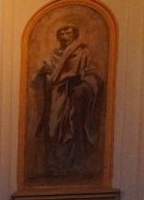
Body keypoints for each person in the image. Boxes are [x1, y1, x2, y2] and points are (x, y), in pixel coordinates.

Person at [32, 24, 103, 178]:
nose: (64, 33)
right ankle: (55, 166)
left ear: (74, 34)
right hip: (57, 95)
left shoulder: (82, 52)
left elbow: (92, 73)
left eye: (68, 31)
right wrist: (45, 73)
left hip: (72, 97)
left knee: (70, 128)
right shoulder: (53, 54)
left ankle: (72, 166)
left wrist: (82, 85)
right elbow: (43, 74)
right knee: (54, 129)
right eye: (61, 32)